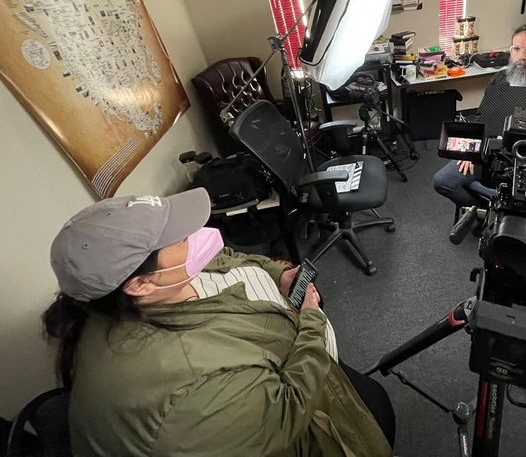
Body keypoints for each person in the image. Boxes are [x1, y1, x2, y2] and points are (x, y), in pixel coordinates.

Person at [43, 188, 394, 457]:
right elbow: (288, 409)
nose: (194, 237)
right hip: (276, 420)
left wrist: (278, 273)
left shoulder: (113, 299)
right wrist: (312, 321)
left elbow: (221, 257)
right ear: (140, 284)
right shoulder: (187, 381)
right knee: (375, 409)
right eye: (179, 238)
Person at [432, 22, 526, 207]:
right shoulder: (500, 79)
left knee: (518, 194)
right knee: (442, 182)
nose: (521, 56)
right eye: (516, 49)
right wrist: (470, 151)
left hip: (523, 156)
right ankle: (491, 205)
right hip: (489, 148)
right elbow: (481, 117)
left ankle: (496, 201)